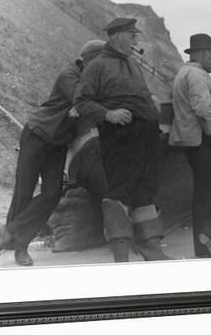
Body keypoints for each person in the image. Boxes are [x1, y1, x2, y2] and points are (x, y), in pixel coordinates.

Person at [0, 40, 105, 267]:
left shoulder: (87, 79)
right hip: (37, 136)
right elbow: (83, 102)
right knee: (24, 191)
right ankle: (20, 248)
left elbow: (86, 105)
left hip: (58, 143)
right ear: (90, 60)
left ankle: (7, 233)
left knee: (52, 194)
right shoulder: (68, 75)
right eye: (100, 63)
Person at [74, 17, 170, 262]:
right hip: (120, 137)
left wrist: (151, 99)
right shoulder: (97, 66)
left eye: (135, 35)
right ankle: (121, 254)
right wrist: (109, 114)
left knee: (146, 189)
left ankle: (150, 246)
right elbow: (82, 102)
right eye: (132, 35)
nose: (136, 39)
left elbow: (139, 92)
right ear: (116, 36)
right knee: (120, 191)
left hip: (146, 134)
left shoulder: (132, 64)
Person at [168, 33, 211, 258]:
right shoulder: (195, 74)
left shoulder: (190, 73)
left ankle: (206, 243)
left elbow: (206, 100)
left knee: (210, 190)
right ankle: (208, 239)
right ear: (203, 54)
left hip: (200, 140)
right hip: (207, 140)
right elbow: (203, 107)